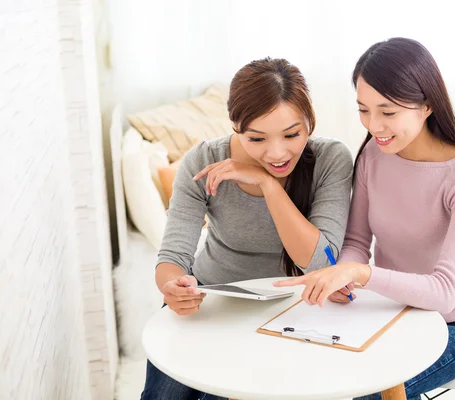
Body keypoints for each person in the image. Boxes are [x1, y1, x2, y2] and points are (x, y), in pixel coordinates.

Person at [275, 38, 455, 400]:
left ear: (426, 105)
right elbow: (358, 242)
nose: (374, 126)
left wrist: (362, 275)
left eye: (387, 112)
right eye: (363, 110)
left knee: (362, 393)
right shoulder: (374, 156)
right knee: (307, 375)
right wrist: (342, 276)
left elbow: (443, 293)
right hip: (391, 315)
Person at [141, 57, 353, 400]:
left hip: (292, 311)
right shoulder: (202, 161)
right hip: (211, 300)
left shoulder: (331, 159)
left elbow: (320, 263)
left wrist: (268, 185)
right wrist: (172, 286)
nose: (278, 152)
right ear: (235, 126)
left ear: (310, 121)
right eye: (257, 139)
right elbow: (173, 254)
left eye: (292, 134)